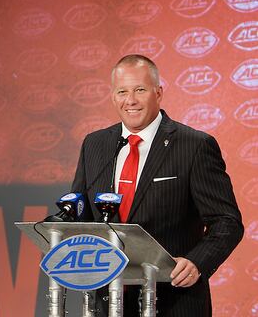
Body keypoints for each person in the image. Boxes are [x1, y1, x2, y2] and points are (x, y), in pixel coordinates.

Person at [71, 54, 243, 316]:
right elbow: (80, 212)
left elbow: (227, 221)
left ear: (158, 92)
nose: (130, 100)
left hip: (174, 299)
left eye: (140, 90)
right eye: (122, 91)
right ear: (113, 96)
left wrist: (197, 262)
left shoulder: (194, 146)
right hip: (107, 303)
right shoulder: (95, 145)